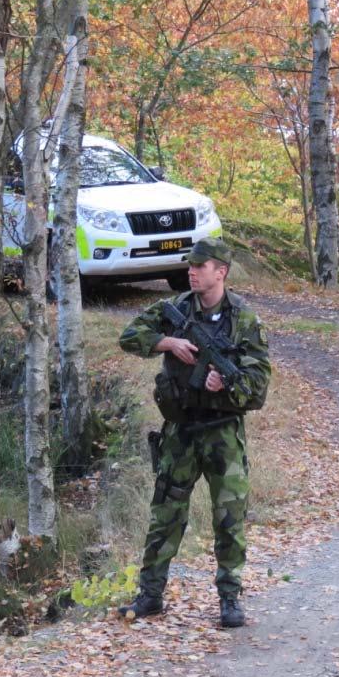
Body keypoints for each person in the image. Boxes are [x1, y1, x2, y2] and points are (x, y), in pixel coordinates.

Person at [116, 237, 271, 627]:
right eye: (190, 265)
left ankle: (230, 598)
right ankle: (150, 595)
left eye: (200, 266)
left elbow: (258, 388)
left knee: (229, 518)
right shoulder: (175, 309)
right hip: (181, 430)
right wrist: (167, 342)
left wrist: (227, 385)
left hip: (223, 434)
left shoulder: (244, 319)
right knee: (166, 514)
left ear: (221, 272)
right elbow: (129, 337)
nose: (192, 271)